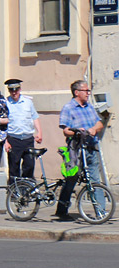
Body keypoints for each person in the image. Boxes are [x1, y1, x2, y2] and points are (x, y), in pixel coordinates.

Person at [53, 79, 106, 220]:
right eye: (85, 91)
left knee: (95, 180)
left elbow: (100, 123)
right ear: (77, 92)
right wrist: (77, 132)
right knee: (71, 179)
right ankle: (62, 210)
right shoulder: (68, 108)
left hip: (90, 148)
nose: (88, 93)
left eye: (88, 91)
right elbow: (65, 131)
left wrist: (94, 129)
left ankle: (101, 212)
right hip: (76, 150)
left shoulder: (89, 107)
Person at [2, 77, 43, 180]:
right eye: (11, 90)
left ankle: (26, 190)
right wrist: (5, 141)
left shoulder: (27, 102)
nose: (14, 92)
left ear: (20, 89)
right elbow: (2, 125)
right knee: (14, 168)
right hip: (13, 140)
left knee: (29, 166)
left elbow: (35, 117)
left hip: (28, 139)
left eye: (16, 89)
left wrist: (39, 132)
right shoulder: (5, 103)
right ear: (9, 90)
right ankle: (14, 192)